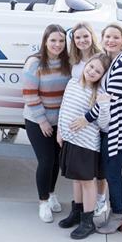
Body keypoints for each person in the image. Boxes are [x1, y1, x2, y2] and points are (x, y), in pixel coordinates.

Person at [74, 23, 122, 234]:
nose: (111, 40)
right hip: (109, 129)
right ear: (102, 39)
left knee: (112, 173)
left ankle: (118, 215)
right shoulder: (109, 60)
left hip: (120, 130)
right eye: (107, 37)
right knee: (108, 172)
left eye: (115, 37)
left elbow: (107, 98)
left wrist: (85, 119)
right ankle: (114, 214)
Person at [56, 53, 111, 239]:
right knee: (76, 179)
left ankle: (88, 222)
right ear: (86, 65)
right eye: (91, 66)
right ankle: (77, 212)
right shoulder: (72, 83)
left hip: (86, 144)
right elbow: (64, 107)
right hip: (70, 140)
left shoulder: (99, 94)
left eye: (98, 71)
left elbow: (104, 125)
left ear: (103, 75)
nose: (92, 71)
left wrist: (103, 107)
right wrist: (60, 131)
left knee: (87, 182)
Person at [22, 24, 71, 223]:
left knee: (57, 161)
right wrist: (42, 121)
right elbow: (29, 93)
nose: (57, 44)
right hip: (37, 120)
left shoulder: (68, 62)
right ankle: (43, 202)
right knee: (46, 160)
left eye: (61, 41)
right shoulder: (34, 62)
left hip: (61, 121)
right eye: (53, 40)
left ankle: (51, 194)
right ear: (45, 41)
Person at [68, 22, 108, 218]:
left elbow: (105, 95)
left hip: (95, 121)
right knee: (81, 172)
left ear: (92, 36)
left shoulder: (101, 59)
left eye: (85, 36)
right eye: (77, 37)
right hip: (77, 127)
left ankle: (101, 200)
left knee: (100, 170)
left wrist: (89, 117)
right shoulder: (74, 62)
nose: (82, 40)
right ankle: (80, 209)